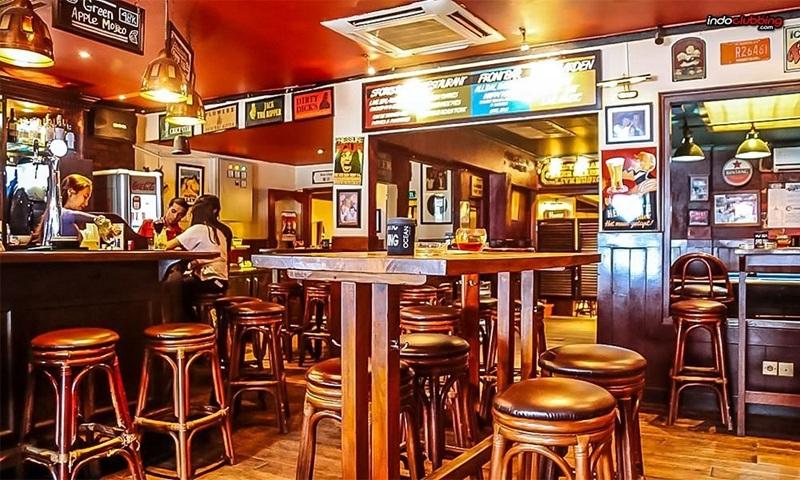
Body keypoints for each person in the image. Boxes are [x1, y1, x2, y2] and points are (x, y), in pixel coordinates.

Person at [165, 195, 233, 320]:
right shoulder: (217, 231)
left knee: (176, 287)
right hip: (220, 282)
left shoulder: (198, 229)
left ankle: (191, 325)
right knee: (184, 286)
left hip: (212, 280)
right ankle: (198, 324)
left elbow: (166, 245)